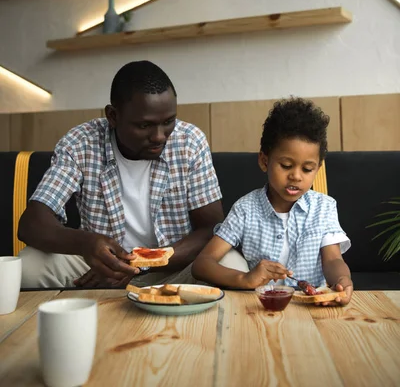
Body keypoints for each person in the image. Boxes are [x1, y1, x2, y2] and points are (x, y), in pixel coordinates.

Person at [18, 60, 226, 289]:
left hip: (170, 268)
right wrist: (86, 243)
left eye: (168, 122)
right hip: (96, 265)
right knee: (26, 267)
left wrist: (139, 263)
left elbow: (212, 229)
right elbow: (31, 223)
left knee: (231, 263)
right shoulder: (80, 143)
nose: (159, 136)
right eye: (145, 126)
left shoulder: (190, 142)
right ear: (113, 116)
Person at [192, 98, 353, 305]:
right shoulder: (245, 209)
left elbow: (332, 259)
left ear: (318, 168)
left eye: (307, 169)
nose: (296, 176)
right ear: (264, 161)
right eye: (286, 165)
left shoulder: (324, 207)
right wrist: (245, 278)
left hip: (312, 307)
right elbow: (202, 264)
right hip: (258, 308)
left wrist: (342, 280)